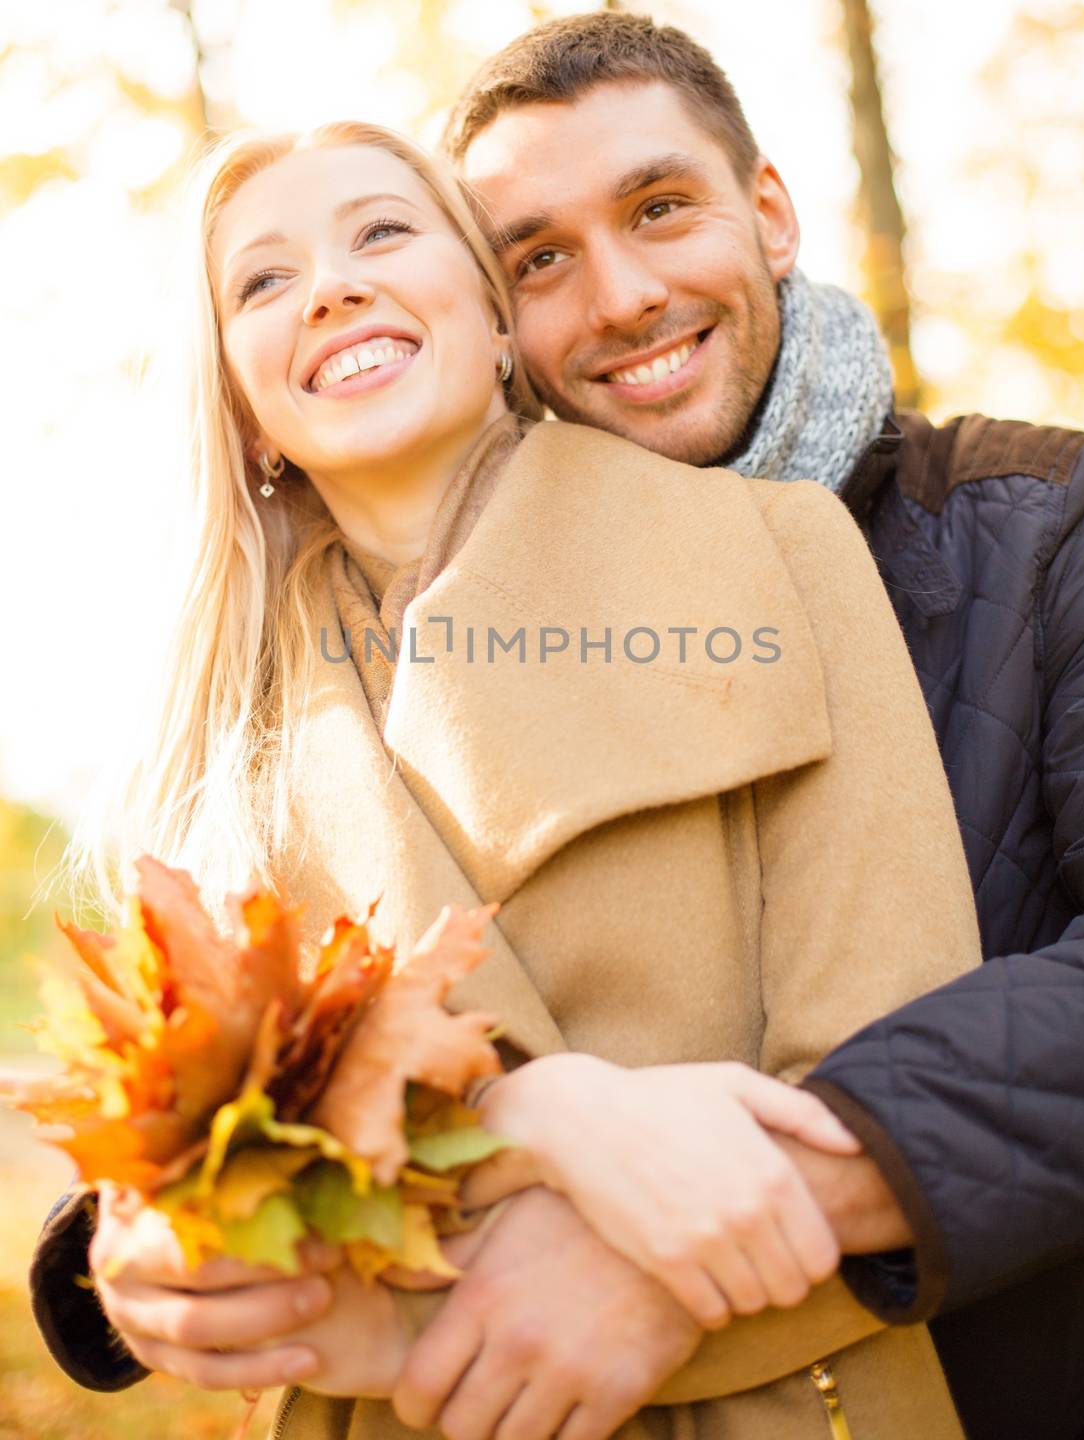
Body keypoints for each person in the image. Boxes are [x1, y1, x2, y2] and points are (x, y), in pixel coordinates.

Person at [27, 117, 983, 1440]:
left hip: (781, 1395)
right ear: (242, 405)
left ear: (491, 318)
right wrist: (531, 1116)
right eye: (261, 278)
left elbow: (888, 1098)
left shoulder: (774, 549)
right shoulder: (216, 729)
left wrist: (411, 1321)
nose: (331, 285)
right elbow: (229, 1189)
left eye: (382, 231)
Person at [404, 10, 1084, 1440]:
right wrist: (132, 1225)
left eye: (660, 209)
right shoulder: (438, 635)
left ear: (766, 213)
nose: (621, 296)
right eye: (538, 258)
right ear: (492, 322)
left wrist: (693, 1238)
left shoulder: (1044, 526)